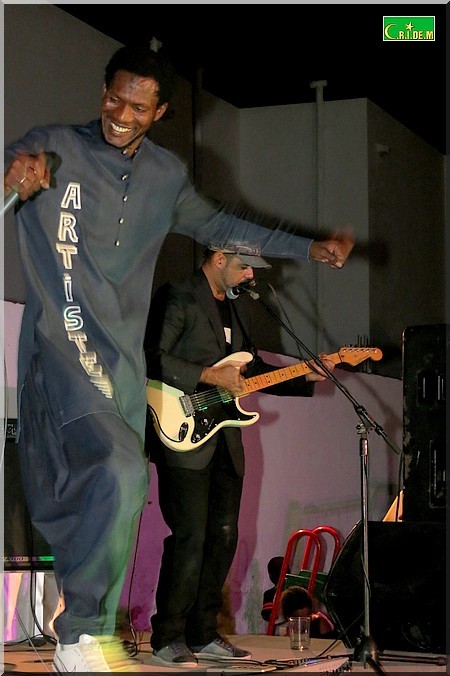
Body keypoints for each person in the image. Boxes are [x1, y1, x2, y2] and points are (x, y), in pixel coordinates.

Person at [3, 42, 353, 673]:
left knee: (124, 488)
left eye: (138, 107)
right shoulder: (54, 147)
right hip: (59, 349)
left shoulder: (165, 178)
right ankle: (82, 634)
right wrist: (12, 179)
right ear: (103, 91)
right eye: (114, 99)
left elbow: (224, 227)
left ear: (160, 111)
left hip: (120, 370)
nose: (121, 115)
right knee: (117, 474)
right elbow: (11, 176)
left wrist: (307, 249)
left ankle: (82, 629)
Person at [144, 244, 338, 668]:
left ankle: (203, 632)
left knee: (223, 536)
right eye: (244, 266)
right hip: (181, 432)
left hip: (224, 438)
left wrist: (303, 375)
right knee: (190, 537)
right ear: (218, 258)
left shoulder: (235, 309)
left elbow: (254, 373)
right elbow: (152, 358)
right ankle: (168, 636)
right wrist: (209, 375)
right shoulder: (178, 296)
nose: (251, 276)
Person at [261, 556, 290, 623]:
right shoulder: (297, 591)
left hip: (278, 628)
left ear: (270, 575)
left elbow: (268, 615)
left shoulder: (269, 594)